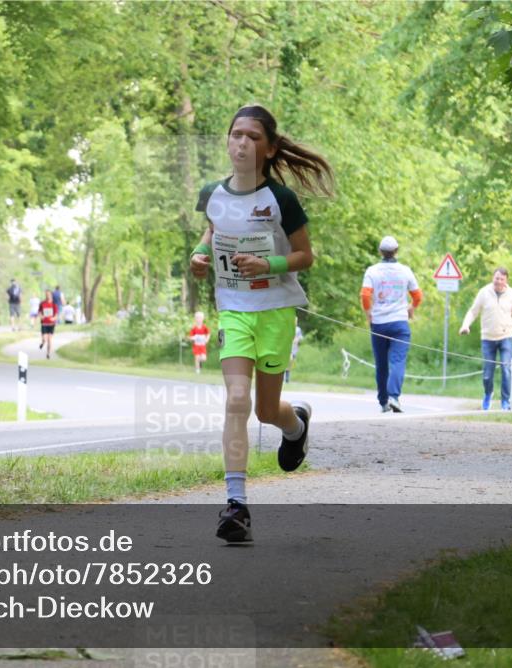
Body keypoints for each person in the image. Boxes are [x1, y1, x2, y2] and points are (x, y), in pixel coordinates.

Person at [190, 104, 334, 543]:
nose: (242, 143)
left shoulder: (281, 200)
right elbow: (212, 233)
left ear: (269, 149)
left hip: (275, 311)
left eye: (253, 137)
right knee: (236, 399)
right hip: (233, 309)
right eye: (236, 134)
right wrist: (199, 255)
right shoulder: (212, 193)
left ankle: (296, 426)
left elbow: (305, 257)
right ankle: (236, 506)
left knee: (265, 411)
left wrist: (267, 264)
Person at [360, 235, 422, 413]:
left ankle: (383, 402)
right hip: (399, 323)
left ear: (380, 251)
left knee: (381, 364)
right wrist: (411, 308)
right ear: (396, 251)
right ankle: (394, 396)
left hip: (379, 323)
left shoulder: (372, 271)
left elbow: (365, 295)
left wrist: (368, 313)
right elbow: (417, 296)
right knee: (397, 360)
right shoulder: (405, 271)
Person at [459, 268, 512, 410]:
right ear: (492, 278)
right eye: (496, 278)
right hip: (487, 338)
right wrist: (465, 325)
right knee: (488, 373)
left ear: (506, 280)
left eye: (501, 279)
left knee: (506, 369)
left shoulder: (511, 294)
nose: (498, 281)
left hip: (506, 337)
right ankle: (488, 394)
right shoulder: (484, 292)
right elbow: (473, 311)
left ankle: (505, 402)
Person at [38, 289, 58, 359]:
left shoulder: (54, 304)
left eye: (49, 294)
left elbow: (56, 315)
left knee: (49, 339)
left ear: (51, 295)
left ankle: (48, 354)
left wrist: (53, 318)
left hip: (51, 324)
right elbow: (39, 312)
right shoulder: (42, 303)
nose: (47, 296)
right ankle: (42, 343)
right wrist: (41, 317)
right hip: (44, 324)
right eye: (46, 295)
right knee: (44, 339)